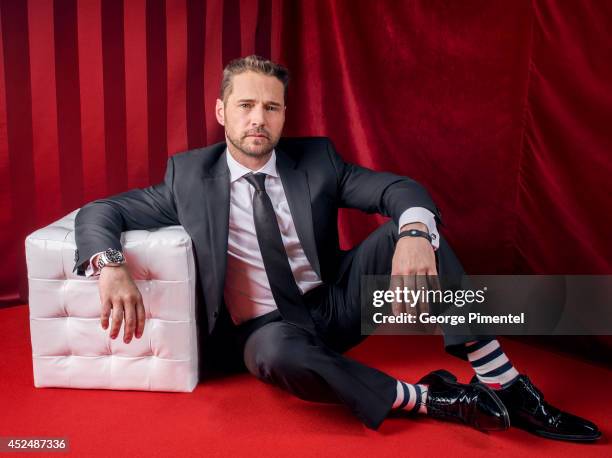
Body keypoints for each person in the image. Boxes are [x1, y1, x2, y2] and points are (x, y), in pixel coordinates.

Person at [73, 55, 600, 441]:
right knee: (281, 353)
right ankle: (431, 398)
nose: (259, 118)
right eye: (247, 106)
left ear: (284, 115)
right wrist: (111, 266)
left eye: (272, 107)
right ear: (221, 111)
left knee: (416, 229)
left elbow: (398, 190)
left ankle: (503, 382)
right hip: (265, 332)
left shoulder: (317, 160)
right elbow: (101, 211)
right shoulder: (188, 177)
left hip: (338, 303)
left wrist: (415, 234)